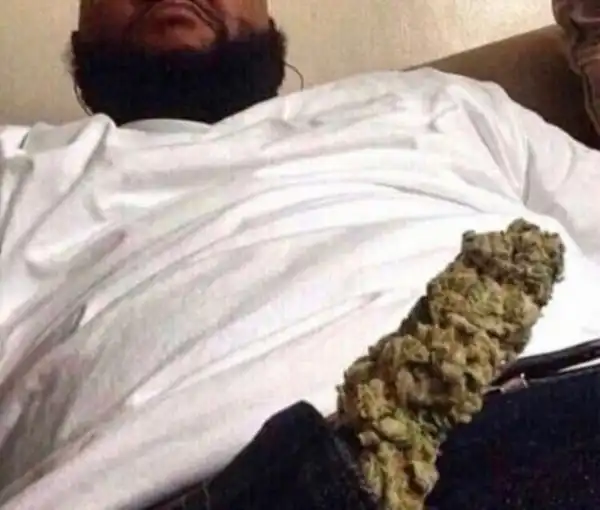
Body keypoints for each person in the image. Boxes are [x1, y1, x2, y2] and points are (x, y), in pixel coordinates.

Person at [1, 1, 600, 509]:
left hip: (565, 392)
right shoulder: (19, 171)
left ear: (268, 16)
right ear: (79, 32)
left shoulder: (441, 104)